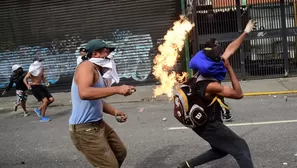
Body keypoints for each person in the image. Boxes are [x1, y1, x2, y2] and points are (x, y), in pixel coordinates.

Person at [177, 19, 257, 168]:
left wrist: (246, 32)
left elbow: (230, 49)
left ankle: (186, 165)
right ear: (214, 59)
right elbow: (238, 94)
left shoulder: (204, 68)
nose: (223, 56)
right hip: (208, 125)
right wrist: (230, 68)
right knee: (241, 148)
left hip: (208, 119)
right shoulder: (210, 85)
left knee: (220, 150)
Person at [69, 39, 136, 168]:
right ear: (95, 54)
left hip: (98, 124)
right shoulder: (86, 66)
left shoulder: (98, 71)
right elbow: (84, 93)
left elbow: (95, 99)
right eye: (107, 52)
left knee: (120, 153)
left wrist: (114, 112)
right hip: (84, 129)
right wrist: (117, 89)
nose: (110, 55)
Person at [23, 57, 54, 122]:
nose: (40, 62)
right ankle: (42, 118)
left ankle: (39, 109)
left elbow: (42, 77)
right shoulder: (31, 71)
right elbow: (24, 79)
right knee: (45, 101)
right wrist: (28, 85)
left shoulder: (41, 68)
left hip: (41, 86)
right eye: (39, 61)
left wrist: (46, 82)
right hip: (35, 87)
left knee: (51, 99)